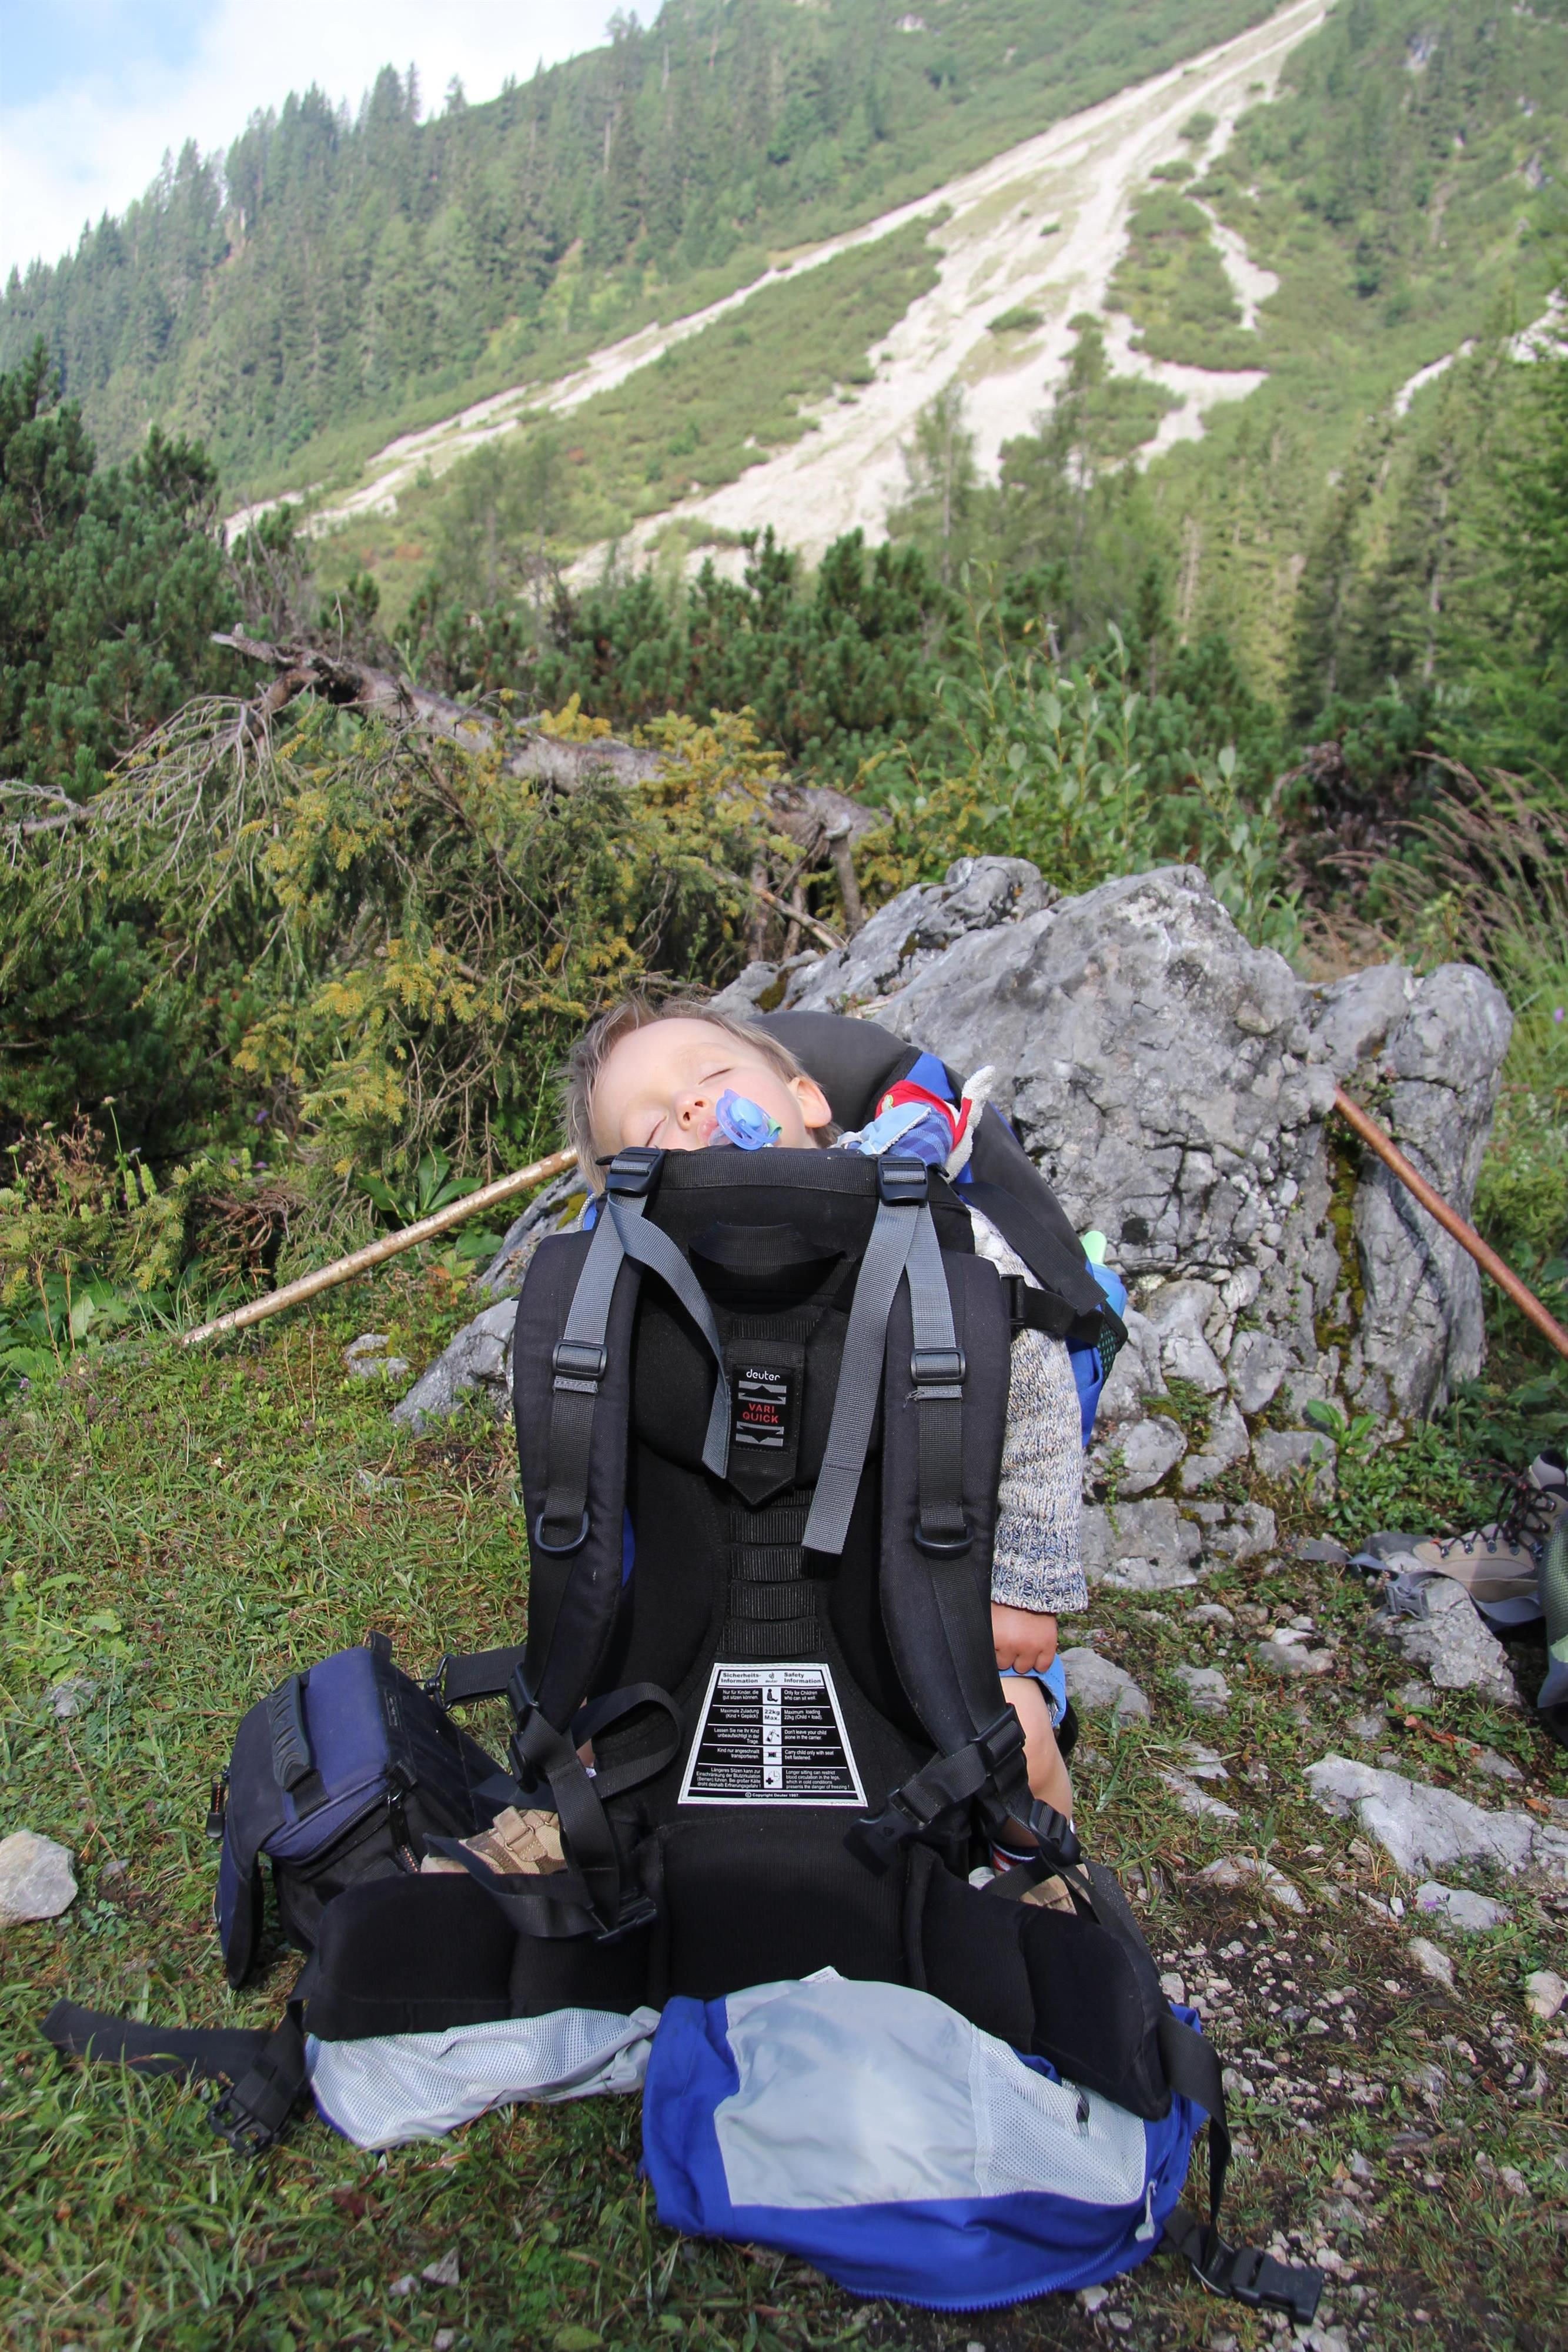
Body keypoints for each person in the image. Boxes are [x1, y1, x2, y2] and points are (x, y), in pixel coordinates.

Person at [563, 996, 1084, 1826]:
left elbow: (1034, 1395)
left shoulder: (929, 1225)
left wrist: (1023, 1583)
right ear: (628, 1187)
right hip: (712, 1580)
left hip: (917, 1581)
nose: (690, 1106)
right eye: (652, 1124)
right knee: (586, 1745)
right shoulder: (628, 1278)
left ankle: (1031, 1874)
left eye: (712, 1075)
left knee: (1016, 1733)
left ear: (807, 1099)